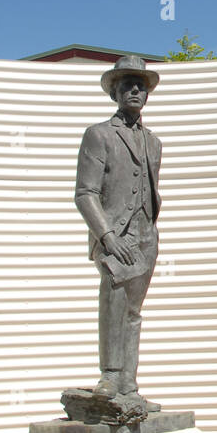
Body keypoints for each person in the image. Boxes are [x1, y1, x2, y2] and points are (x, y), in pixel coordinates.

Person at [74, 55, 162, 401]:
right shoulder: (98, 135)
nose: (136, 90)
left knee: (133, 311)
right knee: (113, 304)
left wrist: (149, 232)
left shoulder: (154, 142)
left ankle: (130, 384)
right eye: (128, 84)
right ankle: (110, 377)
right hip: (115, 237)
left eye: (141, 85)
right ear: (115, 92)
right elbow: (85, 193)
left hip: (145, 237)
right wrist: (108, 237)